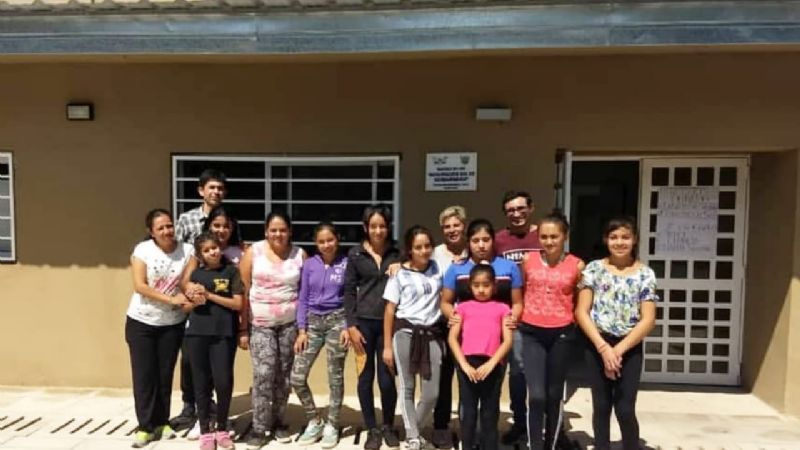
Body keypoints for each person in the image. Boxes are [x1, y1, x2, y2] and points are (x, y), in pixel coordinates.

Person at [575, 217, 657, 450]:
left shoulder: (645, 274)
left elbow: (648, 319)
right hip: (597, 344)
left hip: (628, 347)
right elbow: (582, 311)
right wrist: (603, 348)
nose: (619, 242)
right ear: (605, 240)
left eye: (625, 237)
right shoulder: (594, 269)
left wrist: (618, 350)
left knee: (624, 408)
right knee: (601, 406)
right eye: (613, 237)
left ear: (634, 240)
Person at [125, 209, 195, 448]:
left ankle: (162, 422)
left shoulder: (187, 250)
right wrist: (171, 300)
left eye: (169, 226)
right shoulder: (142, 250)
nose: (167, 231)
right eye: (161, 228)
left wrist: (190, 297)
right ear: (151, 232)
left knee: (165, 375)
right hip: (141, 322)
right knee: (145, 375)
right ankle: (145, 426)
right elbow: (140, 286)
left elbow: (187, 282)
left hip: (172, 324)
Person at [239, 211, 307, 450]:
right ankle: (259, 428)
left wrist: (302, 328)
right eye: (273, 230)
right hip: (261, 324)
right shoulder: (253, 252)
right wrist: (243, 328)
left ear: (290, 232)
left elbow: (304, 292)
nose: (278, 234)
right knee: (263, 375)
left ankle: (278, 423)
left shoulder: (300, 254)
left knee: (283, 376)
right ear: (266, 231)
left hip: (289, 324)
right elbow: (243, 292)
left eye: (283, 230)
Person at [519, 212, 584, 450]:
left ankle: (552, 444)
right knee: (536, 395)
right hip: (532, 332)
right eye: (544, 236)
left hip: (562, 335)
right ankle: (534, 445)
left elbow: (582, 300)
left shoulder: (577, 265)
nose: (548, 241)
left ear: (564, 236)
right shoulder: (528, 260)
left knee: (554, 394)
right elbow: (521, 290)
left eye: (554, 236)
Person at [180, 205, 243, 440]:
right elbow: (185, 305)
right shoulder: (195, 275)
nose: (213, 252)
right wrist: (194, 300)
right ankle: (206, 431)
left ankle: (223, 428)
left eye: (215, 248)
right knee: (201, 384)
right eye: (207, 250)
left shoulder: (231, 271)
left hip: (223, 334)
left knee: (223, 381)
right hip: (197, 334)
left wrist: (210, 296)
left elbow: (238, 304)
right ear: (200, 254)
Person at [344, 205, 402, 450]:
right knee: (365, 379)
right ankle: (372, 428)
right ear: (366, 227)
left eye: (382, 226)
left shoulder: (398, 252)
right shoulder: (355, 254)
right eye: (373, 226)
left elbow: (415, 270)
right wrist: (352, 325)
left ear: (388, 227)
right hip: (364, 326)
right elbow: (348, 291)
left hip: (391, 325)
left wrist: (403, 266)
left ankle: (388, 425)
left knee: (387, 380)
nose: (378, 230)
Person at [173, 169, 228, 429]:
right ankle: (190, 404)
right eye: (211, 187)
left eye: (219, 188)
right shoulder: (186, 219)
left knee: (213, 359)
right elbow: (182, 256)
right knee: (190, 356)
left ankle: (209, 406)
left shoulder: (223, 219)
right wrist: (188, 287)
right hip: (191, 292)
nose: (216, 192)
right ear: (201, 190)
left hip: (217, 299)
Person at [382, 226, 444, 450]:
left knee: (431, 393)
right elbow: (390, 310)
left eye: (427, 246)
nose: (424, 251)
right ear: (410, 250)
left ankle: (412, 431)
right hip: (405, 333)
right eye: (418, 247)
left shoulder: (437, 267)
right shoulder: (399, 274)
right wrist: (387, 346)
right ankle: (414, 439)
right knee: (407, 388)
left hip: (432, 334)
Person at [291, 223, 350, 449]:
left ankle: (333, 424)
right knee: (297, 377)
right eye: (321, 241)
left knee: (335, 377)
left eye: (330, 240)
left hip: (337, 321)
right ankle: (314, 420)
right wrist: (302, 330)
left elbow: (349, 298)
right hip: (313, 323)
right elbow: (302, 298)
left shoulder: (346, 264)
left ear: (337, 240)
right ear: (316, 243)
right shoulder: (309, 265)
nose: (326, 245)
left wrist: (346, 325)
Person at [494, 190, 542, 446]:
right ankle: (520, 422)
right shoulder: (499, 239)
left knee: (531, 371)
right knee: (515, 372)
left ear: (531, 208)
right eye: (511, 210)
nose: (516, 213)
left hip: (539, 314)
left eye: (521, 208)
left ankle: (540, 422)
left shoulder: (543, 235)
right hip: (508, 316)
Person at [448, 264, 513, 450]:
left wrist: (492, 363)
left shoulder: (503, 308)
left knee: (489, 413)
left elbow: (507, 341)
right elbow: (452, 338)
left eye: (486, 285)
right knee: (468, 413)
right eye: (476, 285)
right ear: (470, 286)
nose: (481, 289)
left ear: (495, 285)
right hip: (467, 365)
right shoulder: (462, 307)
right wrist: (463, 365)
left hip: (492, 366)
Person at [429, 206, 468, 449]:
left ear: (464, 225)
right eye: (447, 226)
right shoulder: (434, 254)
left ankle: (467, 424)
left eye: (456, 225)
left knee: (467, 378)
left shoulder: (474, 250)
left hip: (471, 326)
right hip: (441, 324)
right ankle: (441, 426)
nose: (452, 230)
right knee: (442, 379)